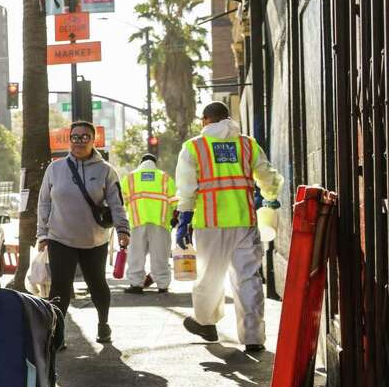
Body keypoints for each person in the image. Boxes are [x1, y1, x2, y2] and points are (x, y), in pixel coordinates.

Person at [175, 101, 283, 354]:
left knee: (210, 277)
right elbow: (267, 175)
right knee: (248, 279)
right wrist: (270, 194)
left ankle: (206, 323)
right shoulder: (247, 144)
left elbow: (187, 188)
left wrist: (183, 220)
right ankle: (254, 337)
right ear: (228, 118)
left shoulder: (194, 147)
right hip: (244, 221)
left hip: (210, 222)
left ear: (205, 120)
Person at [37, 121, 131, 344]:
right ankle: (57, 335)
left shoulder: (106, 171)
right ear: (70, 139)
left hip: (94, 240)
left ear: (93, 140)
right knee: (59, 287)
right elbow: (44, 203)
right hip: (60, 238)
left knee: (97, 283)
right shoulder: (55, 169)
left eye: (85, 137)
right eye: (75, 137)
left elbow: (117, 203)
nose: (79, 141)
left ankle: (103, 324)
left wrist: (122, 229)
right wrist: (42, 234)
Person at [120, 153, 177, 293]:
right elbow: (175, 202)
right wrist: (175, 217)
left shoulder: (130, 178)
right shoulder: (165, 178)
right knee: (160, 256)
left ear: (141, 162)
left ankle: (136, 284)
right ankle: (163, 285)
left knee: (136, 255)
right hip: (161, 223)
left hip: (137, 222)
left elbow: (121, 201)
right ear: (155, 163)